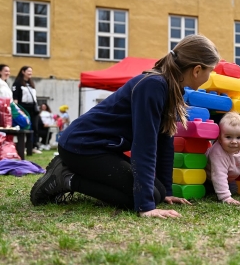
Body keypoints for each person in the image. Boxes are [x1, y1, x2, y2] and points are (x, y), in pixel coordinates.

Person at [30, 34, 221, 219]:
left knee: (159, 192)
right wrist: (146, 206)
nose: (209, 75)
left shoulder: (172, 87)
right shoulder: (154, 85)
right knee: (143, 198)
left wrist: (167, 192)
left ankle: (153, 194)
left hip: (103, 148)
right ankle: (65, 177)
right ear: (197, 70)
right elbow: (144, 145)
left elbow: (164, 141)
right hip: (81, 146)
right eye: (210, 71)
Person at [12, 66, 42, 154]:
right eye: (28, 71)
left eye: (31, 71)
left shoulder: (31, 84)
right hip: (23, 108)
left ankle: (33, 146)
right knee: (24, 127)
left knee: (34, 128)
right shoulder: (17, 83)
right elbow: (15, 97)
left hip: (33, 108)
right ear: (23, 72)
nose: (30, 73)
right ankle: (22, 147)